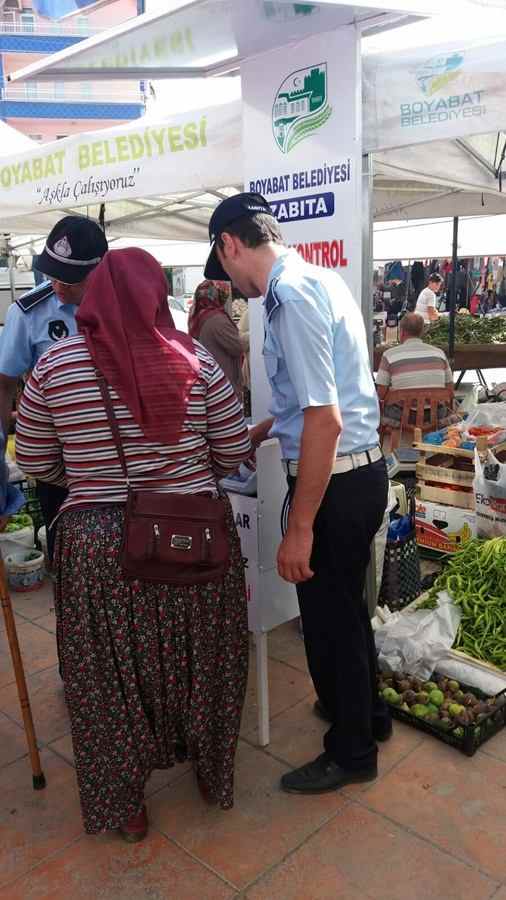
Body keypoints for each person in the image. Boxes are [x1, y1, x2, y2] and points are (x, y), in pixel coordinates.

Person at [15, 248, 251, 841]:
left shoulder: (55, 367)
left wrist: (96, 474)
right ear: (156, 298)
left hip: (96, 547)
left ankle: (126, 806)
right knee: (206, 662)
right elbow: (230, 455)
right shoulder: (197, 361)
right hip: (192, 535)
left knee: (107, 678)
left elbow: (40, 462)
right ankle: (210, 771)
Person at [204, 192, 390, 795]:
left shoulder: (291, 296)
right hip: (355, 473)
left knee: (329, 622)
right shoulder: (317, 279)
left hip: (335, 481)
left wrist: (300, 526)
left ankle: (352, 751)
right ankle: (366, 714)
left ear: (230, 245)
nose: (229, 283)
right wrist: (268, 425)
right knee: (347, 614)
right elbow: (312, 402)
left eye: (223, 266)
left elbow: (325, 420)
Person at [0, 215, 108, 563]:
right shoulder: (28, 314)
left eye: (71, 278)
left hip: (121, 461)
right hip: (61, 464)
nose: (59, 285)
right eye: (52, 272)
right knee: (68, 558)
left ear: (100, 271)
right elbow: (4, 385)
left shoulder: (125, 306)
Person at [376, 312, 455, 429]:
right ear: (421, 332)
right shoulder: (439, 354)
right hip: (437, 416)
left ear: (401, 331)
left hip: (402, 418)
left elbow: (381, 394)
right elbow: (450, 390)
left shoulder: (389, 355)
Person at [188, 280, 245, 398]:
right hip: (223, 384)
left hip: (208, 380)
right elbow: (238, 347)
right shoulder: (217, 320)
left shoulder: (197, 316)